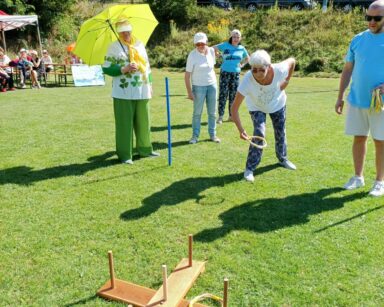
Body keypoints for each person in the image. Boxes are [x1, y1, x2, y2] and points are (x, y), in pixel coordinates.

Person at [335, 0, 384, 197]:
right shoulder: (357, 39)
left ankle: (380, 181)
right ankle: (358, 177)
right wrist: (339, 97)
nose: (371, 22)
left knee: (380, 141)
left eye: (377, 18)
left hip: (380, 102)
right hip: (357, 99)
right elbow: (347, 70)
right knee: (359, 137)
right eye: (368, 18)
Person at [231, 50, 296, 183]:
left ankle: (282, 159)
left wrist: (287, 81)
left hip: (278, 104)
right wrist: (241, 130)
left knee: (280, 132)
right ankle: (249, 168)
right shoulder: (247, 80)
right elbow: (234, 108)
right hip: (256, 107)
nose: (257, 74)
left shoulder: (279, 70)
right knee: (259, 133)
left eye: (261, 70)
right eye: (254, 70)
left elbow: (292, 61)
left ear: (269, 66)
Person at [102, 20, 159, 164]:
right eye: (122, 31)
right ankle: (125, 155)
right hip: (123, 92)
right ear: (118, 32)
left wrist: (150, 84)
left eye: (127, 31)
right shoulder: (114, 47)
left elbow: (147, 66)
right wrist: (123, 69)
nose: (126, 34)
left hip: (142, 89)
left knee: (144, 122)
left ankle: (145, 150)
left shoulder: (139, 45)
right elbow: (106, 68)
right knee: (124, 124)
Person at [185, 32, 220, 144]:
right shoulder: (192, 55)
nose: (200, 46)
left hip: (212, 85)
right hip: (198, 87)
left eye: (202, 43)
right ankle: (195, 136)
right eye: (197, 44)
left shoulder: (211, 51)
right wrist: (189, 92)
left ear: (206, 42)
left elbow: (212, 67)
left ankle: (213, 135)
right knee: (197, 113)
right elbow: (187, 76)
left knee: (212, 112)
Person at [213, 29, 249, 124]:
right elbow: (213, 48)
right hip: (225, 72)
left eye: (238, 37)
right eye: (234, 37)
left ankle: (231, 116)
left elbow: (247, 58)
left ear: (240, 38)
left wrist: (242, 65)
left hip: (235, 74)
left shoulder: (242, 48)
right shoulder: (225, 45)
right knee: (223, 94)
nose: (236, 39)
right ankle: (220, 117)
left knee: (233, 96)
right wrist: (217, 55)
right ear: (231, 37)